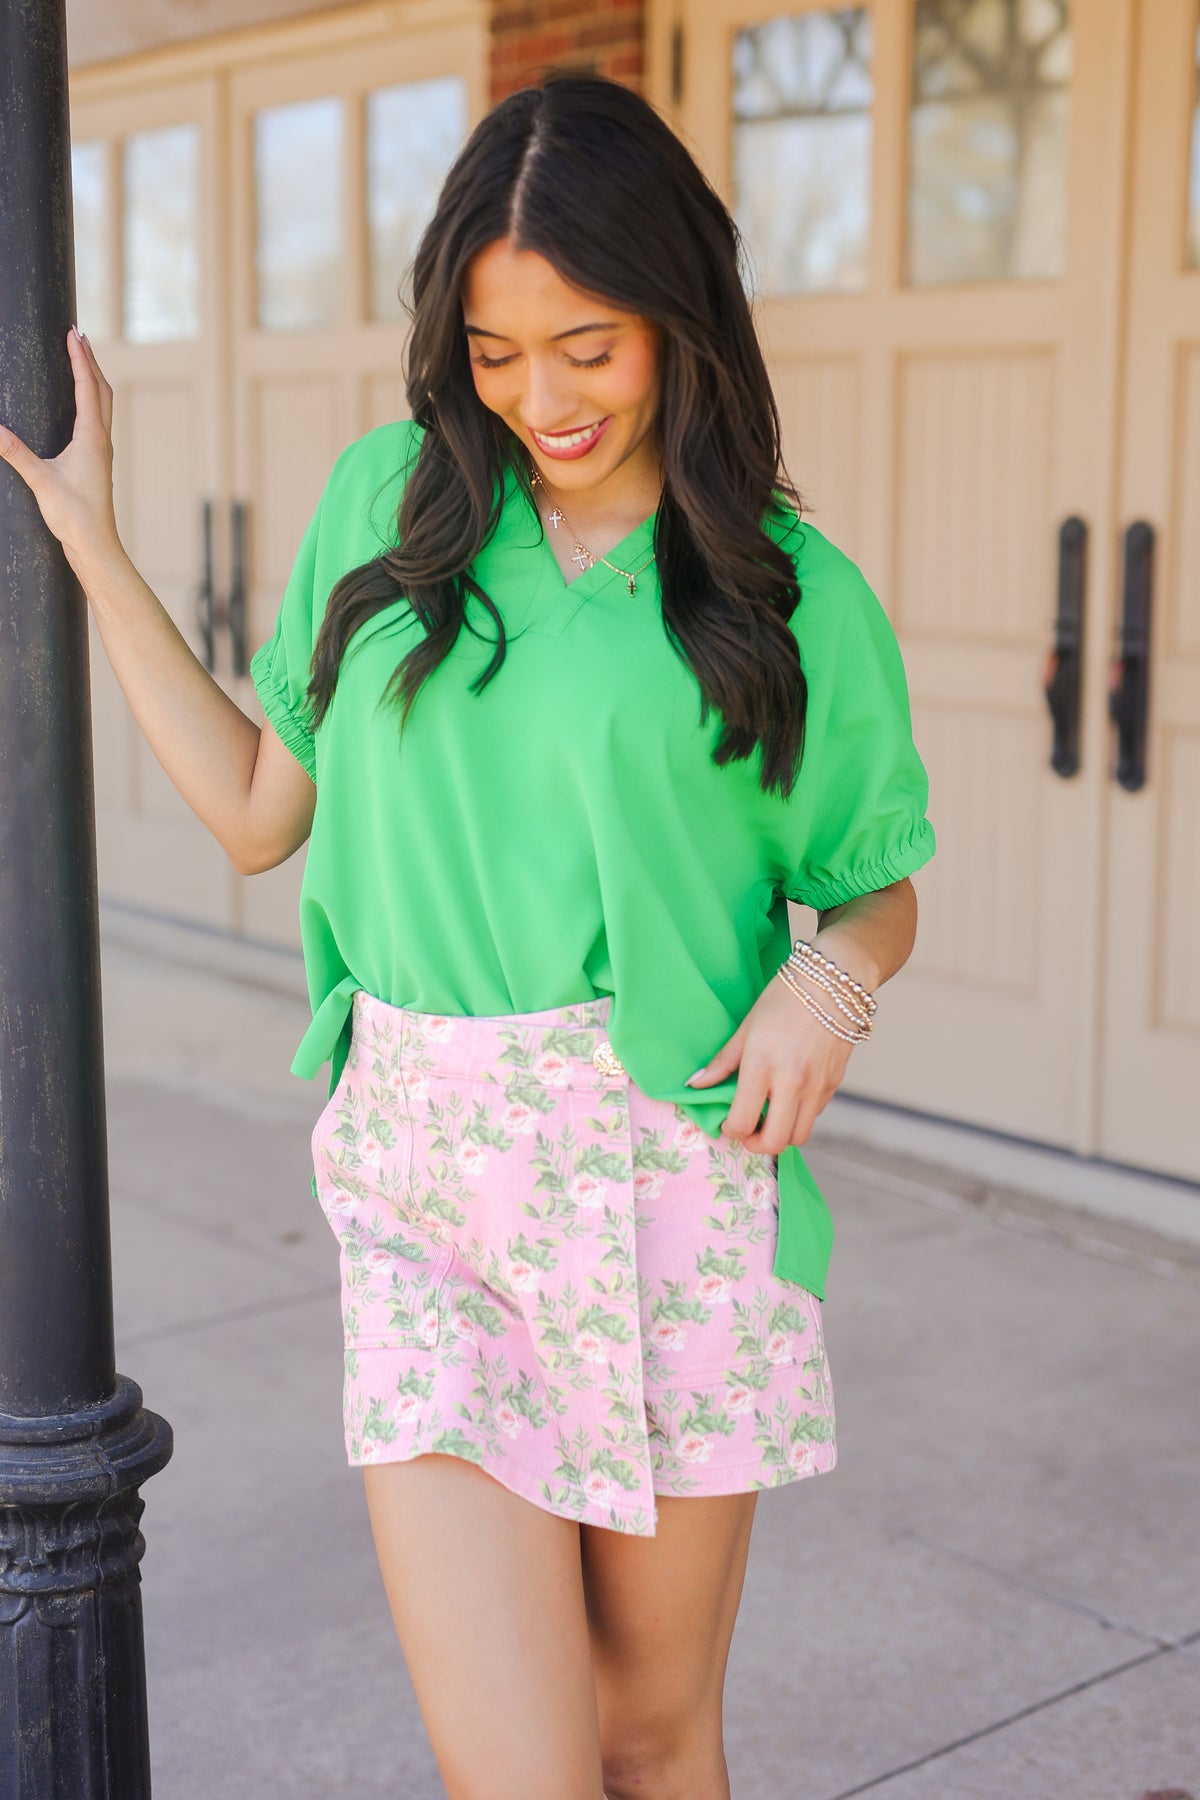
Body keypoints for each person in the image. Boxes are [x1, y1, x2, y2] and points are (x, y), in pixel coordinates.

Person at [0, 69, 935, 1800]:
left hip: (674, 1175)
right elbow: (259, 816)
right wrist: (94, 546)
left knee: (654, 1741)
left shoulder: (780, 590)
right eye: (498, 354)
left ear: (680, 315)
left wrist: (832, 985)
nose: (541, 398)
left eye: (587, 344)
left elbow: (877, 882)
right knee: (517, 1770)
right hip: (433, 1188)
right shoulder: (391, 505)